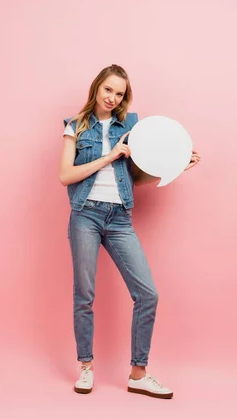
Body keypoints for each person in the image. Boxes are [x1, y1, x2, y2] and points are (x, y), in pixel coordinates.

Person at [59, 64, 201, 398]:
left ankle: (138, 373)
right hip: (85, 216)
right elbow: (65, 175)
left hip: (119, 217)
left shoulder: (132, 128)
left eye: (119, 93)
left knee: (147, 293)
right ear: (96, 88)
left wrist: (176, 166)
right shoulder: (75, 127)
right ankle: (86, 368)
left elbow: (136, 179)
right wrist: (109, 156)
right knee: (85, 295)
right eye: (108, 89)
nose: (112, 98)